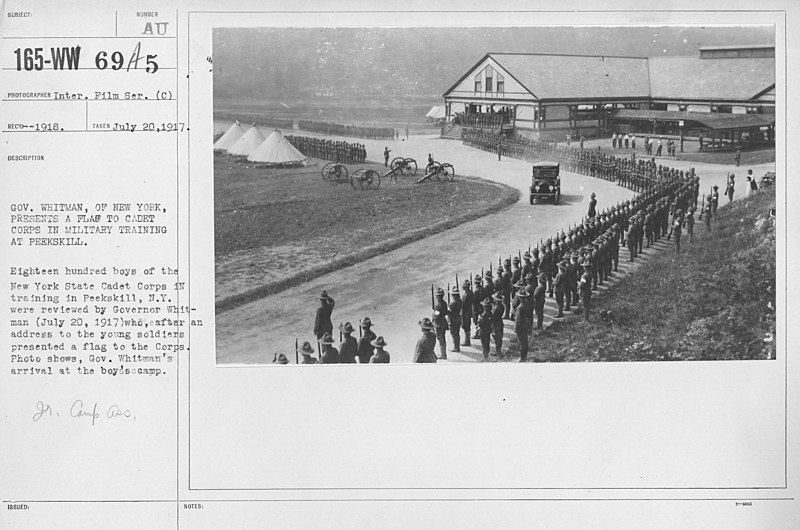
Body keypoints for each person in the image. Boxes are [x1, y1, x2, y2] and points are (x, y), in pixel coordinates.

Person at [514, 289, 531, 362]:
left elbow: (518, 319)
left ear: (520, 298)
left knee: (521, 342)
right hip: (526, 323)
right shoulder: (527, 303)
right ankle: (525, 356)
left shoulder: (519, 308)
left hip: (521, 325)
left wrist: (516, 328)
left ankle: (522, 357)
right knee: (525, 340)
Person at [432, 287, 449, 359]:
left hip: (439, 324)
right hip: (443, 322)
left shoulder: (437, 306)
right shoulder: (444, 303)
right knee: (443, 337)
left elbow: (436, 316)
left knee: (440, 338)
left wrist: (433, 316)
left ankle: (443, 354)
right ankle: (443, 353)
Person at [447, 286, 462, 353]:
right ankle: (457, 346)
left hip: (453, 319)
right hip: (458, 318)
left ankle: (456, 348)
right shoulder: (460, 300)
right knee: (457, 333)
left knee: (454, 334)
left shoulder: (452, 303)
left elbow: (448, 312)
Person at [491, 292, 505, 356]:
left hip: (496, 324)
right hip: (500, 322)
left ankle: (498, 351)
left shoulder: (496, 308)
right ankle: (498, 350)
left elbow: (493, 317)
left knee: (496, 337)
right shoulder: (502, 306)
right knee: (499, 337)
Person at [460, 279, 473, 347]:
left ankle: (467, 341)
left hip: (465, 312)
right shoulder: (470, 292)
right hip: (469, 311)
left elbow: (462, 304)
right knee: (468, 326)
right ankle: (467, 340)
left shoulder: (466, 294)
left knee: (466, 326)